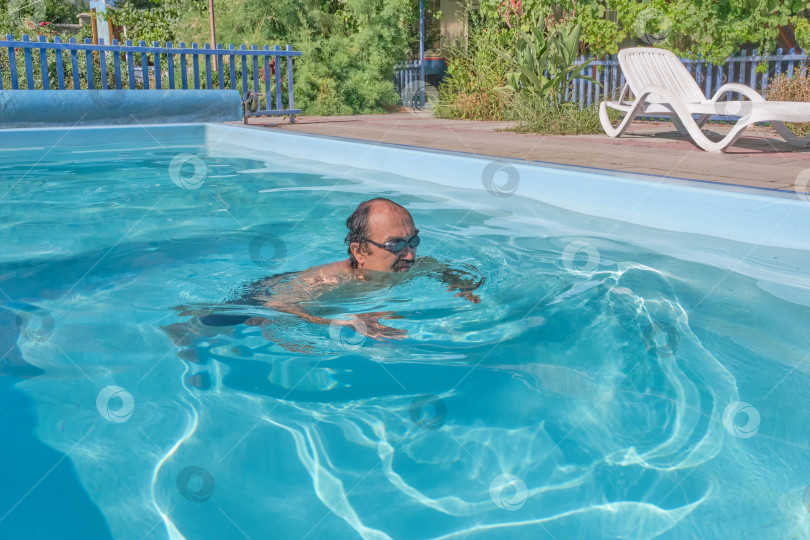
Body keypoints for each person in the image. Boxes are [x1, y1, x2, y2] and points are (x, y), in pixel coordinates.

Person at [240, 197, 484, 340]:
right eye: (395, 244)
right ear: (359, 252)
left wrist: (462, 286)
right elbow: (278, 306)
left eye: (413, 241)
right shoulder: (330, 280)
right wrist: (345, 321)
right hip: (254, 299)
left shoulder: (414, 265)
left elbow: (446, 270)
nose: (409, 255)